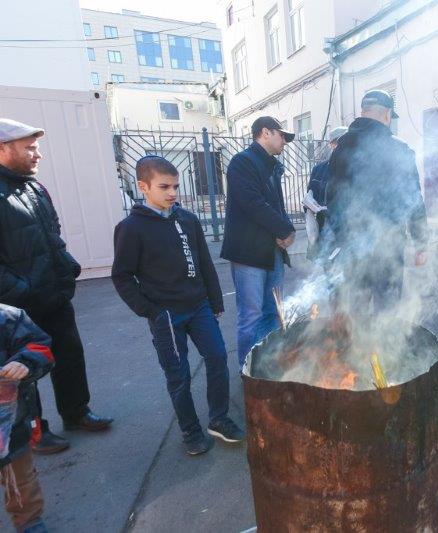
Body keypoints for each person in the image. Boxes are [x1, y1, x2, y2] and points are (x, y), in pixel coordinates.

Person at [112, 156, 244, 455]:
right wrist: (152, 311)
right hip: (166, 316)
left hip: (199, 307)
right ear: (143, 186)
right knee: (179, 374)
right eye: (164, 187)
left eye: (175, 186)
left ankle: (218, 418)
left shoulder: (187, 219)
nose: (172, 193)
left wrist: (215, 300)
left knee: (218, 358)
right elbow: (121, 276)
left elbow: (204, 263)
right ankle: (190, 431)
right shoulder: (131, 228)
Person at [0, 118, 112, 455]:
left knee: (70, 356)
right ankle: (35, 433)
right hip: (19, 306)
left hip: (54, 295)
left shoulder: (33, 187)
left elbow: (52, 236)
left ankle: (77, 413)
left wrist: (67, 269)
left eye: (37, 148)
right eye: (29, 148)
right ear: (3, 149)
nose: (38, 155)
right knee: (24, 371)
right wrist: (23, 291)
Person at [324, 90, 429, 312]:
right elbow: (413, 200)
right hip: (389, 247)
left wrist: (343, 237)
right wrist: (420, 243)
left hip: (353, 248)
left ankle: (356, 346)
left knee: (356, 311)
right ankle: (384, 347)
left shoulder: (341, 147)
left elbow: (331, 198)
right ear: (387, 115)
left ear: (363, 112)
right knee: (387, 313)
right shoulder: (399, 149)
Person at [221, 117, 296, 367]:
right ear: (265, 132)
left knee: (273, 312)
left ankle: (268, 367)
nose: (284, 141)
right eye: (281, 135)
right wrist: (285, 229)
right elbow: (253, 204)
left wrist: (284, 232)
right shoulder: (243, 162)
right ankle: (248, 371)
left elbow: (276, 206)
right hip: (249, 254)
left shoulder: (270, 166)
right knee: (251, 316)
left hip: (272, 252)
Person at [0, 303, 54, 533]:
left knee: (20, 476)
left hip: (11, 420)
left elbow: (40, 346)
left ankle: (28, 519)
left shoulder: (8, 317)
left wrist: (24, 362)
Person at [305, 126, 348, 259]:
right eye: (338, 142)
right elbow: (309, 197)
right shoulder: (319, 169)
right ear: (332, 144)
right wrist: (310, 204)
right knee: (326, 274)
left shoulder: (355, 168)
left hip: (347, 234)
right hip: (324, 233)